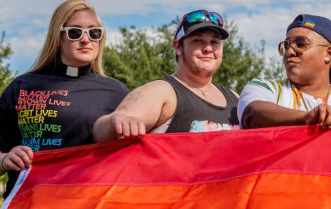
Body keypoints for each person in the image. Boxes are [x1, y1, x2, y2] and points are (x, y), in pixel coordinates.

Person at [0, 0, 128, 193]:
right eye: (75, 32)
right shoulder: (22, 87)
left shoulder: (117, 92)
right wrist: (5, 160)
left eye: (94, 32)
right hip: (29, 208)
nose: (85, 39)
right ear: (58, 37)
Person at [93, 10, 238, 141]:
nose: (208, 48)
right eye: (197, 41)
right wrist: (116, 121)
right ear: (178, 47)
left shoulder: (235, 99)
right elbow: (100, 131)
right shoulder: (162, 92)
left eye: (215, 42)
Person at [238, 14, 331, 133]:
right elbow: (252, 114)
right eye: (286, 45)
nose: (289, 52)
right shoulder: (265, 88)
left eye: (301, 44)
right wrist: (307, 117)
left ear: (328, 54)